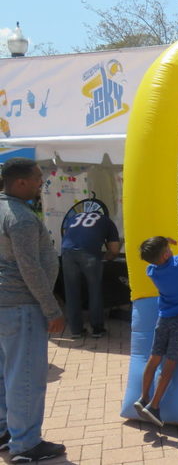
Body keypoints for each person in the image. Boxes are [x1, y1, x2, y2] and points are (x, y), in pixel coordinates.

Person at [0, 158, 66, 462]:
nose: (42, 183)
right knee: (25, 377)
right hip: (22, 307)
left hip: (4, 306)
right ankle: (25, 445)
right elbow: (31, 269)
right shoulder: (22, 218)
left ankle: (5, 431)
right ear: (21, 182)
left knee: (5, 374)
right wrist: (52, 309)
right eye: (38, 179)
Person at [133, 223, 178, 427]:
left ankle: (143, 397)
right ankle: (155, 406)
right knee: (170, 364)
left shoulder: (152, 271)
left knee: (154, 358)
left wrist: (164, 242)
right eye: (167, 249)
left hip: (163, 318)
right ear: (166, 255)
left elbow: (161, 254)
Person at [61, 205, 121, 339]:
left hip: (67, 252)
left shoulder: (75, 217)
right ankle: (97, 329)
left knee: (71, 292)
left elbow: (68, 236)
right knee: (95, 291)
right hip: (90, 254)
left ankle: (76, 330)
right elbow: (115, 250)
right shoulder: (106, 221)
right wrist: (107, 258)